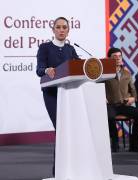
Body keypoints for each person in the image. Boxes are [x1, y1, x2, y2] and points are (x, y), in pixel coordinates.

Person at [36, 17, 79, 176]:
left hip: (70, 94)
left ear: (68, 30)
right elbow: (39, 69)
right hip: (52, 94)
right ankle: (58, 171)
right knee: (62, 130)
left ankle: (71, 168)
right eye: (58, 27)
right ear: (53, 29)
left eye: (64, 27)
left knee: (70, 130)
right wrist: (46, 70)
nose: (61, 30)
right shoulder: (45, 47)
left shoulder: (70, 49)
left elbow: (80, 68)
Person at [105, 47, 138, 152]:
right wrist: (103, 98)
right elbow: (97, 88)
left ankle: (134, 143)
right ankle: (115, 142)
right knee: (110, 117)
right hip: (111, 105)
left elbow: (133, 90)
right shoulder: (104, 73)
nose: (118, 58)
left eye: (119, 56)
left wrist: (133, 98)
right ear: (109, 59)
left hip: (124, 105)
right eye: (114, 57)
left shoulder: (127, 73)